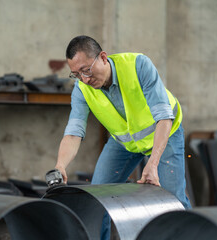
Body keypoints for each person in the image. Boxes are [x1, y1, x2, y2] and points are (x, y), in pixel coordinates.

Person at [54, 35, 191, 239]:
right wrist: (60, 165)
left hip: (165, 134)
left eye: (86, 70)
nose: (84, 79)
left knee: (172, 201)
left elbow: (164, 117)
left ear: (102, 57)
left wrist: (152, 164)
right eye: (76, 74)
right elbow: (74, 132)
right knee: (97, 199)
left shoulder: (138, 65)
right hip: (124, 144)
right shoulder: (82, 89)